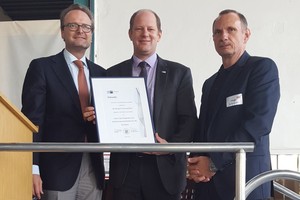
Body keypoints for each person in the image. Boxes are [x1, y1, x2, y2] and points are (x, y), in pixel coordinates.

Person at [104, 9, 197, 200]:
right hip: (125, 171)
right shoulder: (112, 73)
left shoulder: (179, 73)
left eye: (150, 29)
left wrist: (169, 147)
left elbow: (188, 120)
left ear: (159, 35)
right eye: (138, 29)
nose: (145, 34)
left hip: (165, 170)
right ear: (130, 34)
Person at [187, 9, 280, 200]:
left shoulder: (261, 69)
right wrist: (194, 164)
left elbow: (257, 125)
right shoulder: (210, 83)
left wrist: (213, 163)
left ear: (246, 35)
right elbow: (203, 131)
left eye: (231, 30)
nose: (224, 36)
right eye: (218, 32)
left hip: (245, 182)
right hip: (207, 186)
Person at [21, 4, 106, 200]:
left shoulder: (102, 73)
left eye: (86, 27)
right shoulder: (42, 68)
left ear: (91, 33)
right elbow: (32, 122)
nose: (80, 31)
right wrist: (33, 167)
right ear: (62, 32)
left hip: (93, 166)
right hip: (56, 168)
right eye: (73, 25)